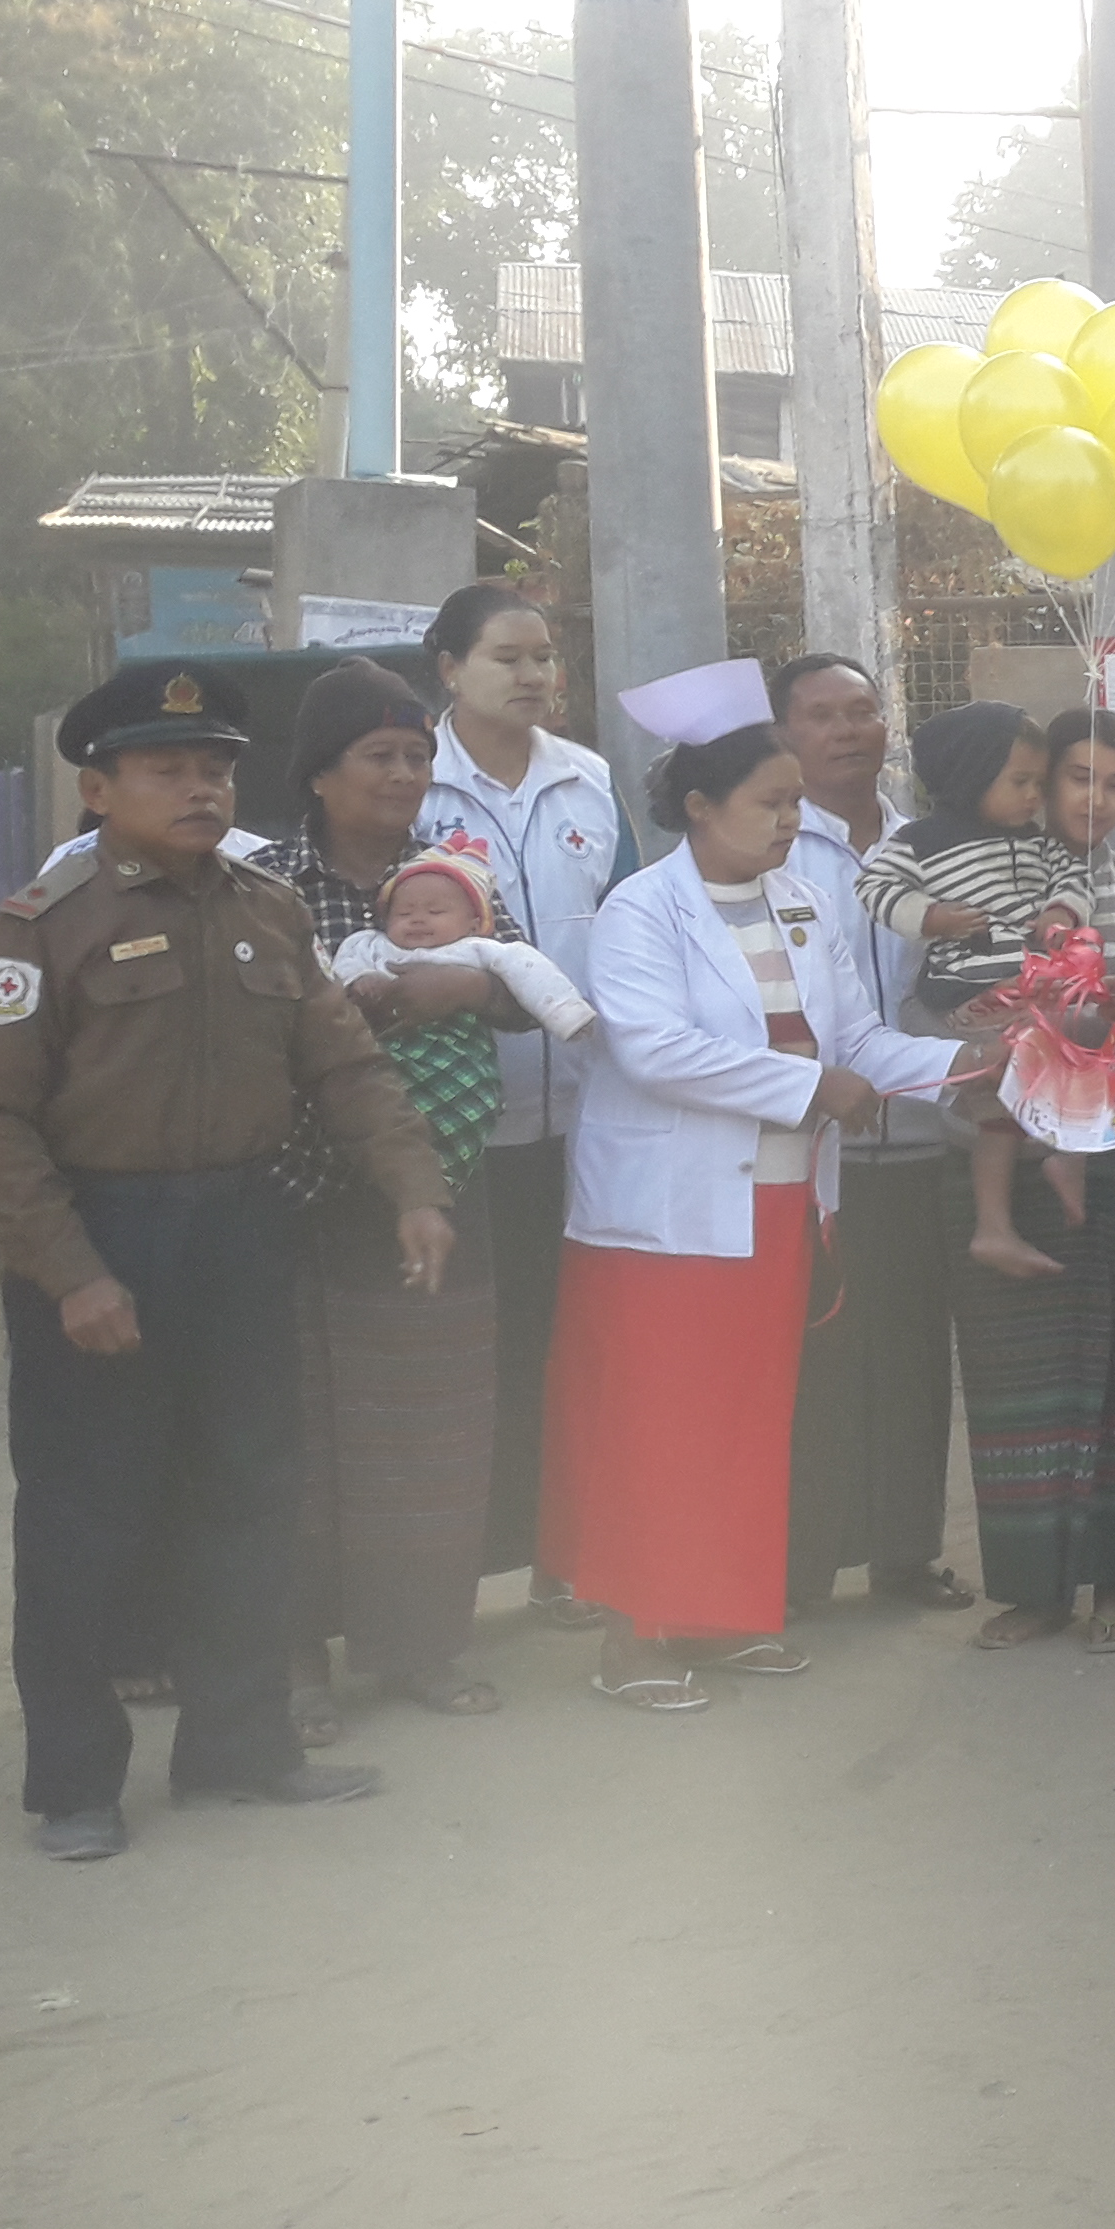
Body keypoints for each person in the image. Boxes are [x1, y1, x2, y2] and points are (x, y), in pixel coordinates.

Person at [0, 662, 455, 1858]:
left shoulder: (265, 908)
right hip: (100, 1233)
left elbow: (344, 1064)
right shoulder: (42, 924)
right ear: (98, 789)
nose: (200, 790)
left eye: (216, 770)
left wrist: (414, 1186)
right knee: (86, 1517)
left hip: (239, 1228)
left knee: (252, 1495)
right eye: (167, 770)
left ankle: (240, 1746)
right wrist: (72, 1273)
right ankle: (76, 1784)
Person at [541, 662, 964, 1710]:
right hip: (667, 1221)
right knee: (659, 1424)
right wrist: (810, 1086)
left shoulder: (806, 903)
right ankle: (633, 1639)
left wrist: (973, 1065)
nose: (790, 822)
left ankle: (717, 1617)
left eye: (793, 803)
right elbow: (654, 1050)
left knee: (747, 1419)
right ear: (700, 805)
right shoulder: (641, 910)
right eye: (771, 804)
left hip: (779, 1207)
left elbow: (858, 1040)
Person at [261, 665, 530, 1739]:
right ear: (319, 774)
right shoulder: (267, 883)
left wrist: (473, 982)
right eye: (379, 755)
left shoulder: (456, 871)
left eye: (417, 755)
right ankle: (295, 1660)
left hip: (441, 1188)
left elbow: (530, 988)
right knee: (299, 1433)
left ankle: (422, 1646)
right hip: (302, 1189)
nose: (405, 774)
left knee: (433, 1428)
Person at [951, 708, 1115, 1652]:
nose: (1096, 799)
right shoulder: (984, 878)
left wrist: (1101, 1025)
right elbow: (955, 1001)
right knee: (1020, 1382)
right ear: (1044, 781)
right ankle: (1030, 1590)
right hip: (1007, 1152)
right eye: (1078, 777)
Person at [414, 581, 627, 1615]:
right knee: (462, 1360)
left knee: (567, 1352)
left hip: (582, 1122)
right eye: (509, 657)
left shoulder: (589, 780)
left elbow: (626, 922)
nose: (535, 675)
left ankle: (561, 1563)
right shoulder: (415, 787)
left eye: (545, 656)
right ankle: (447, 1581)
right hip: (458, 1125)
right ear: (450, 669)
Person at [767, 650, 973, 1617]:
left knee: (914, 1358)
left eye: (863, 711)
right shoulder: (774, 843)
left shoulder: (926, 842)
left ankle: (904, 1553)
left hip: (927, 1128)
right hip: (816, 1148)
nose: (849, 731)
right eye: (823, 716)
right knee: (818, 1359)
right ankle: (802, 1566)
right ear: (784, 734)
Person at [858, 704, 1079, 1280]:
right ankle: (1000, 1219)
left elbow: (1070, 876)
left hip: (1028, 984)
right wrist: (930, 917)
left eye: (1039, 783)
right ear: (969, 777)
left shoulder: (1036, 841)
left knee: (1072, 1053)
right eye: (1019, 781)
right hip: (967, 989)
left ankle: (1053, 1171)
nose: (1034, 796)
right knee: (1002, 1092)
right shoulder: (920, 842)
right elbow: (874, 887)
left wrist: (1060, 911)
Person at [328, 856, 597, 1039]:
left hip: (459, 1056)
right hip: (386, 1059)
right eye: (404, 913)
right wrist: (360, 979)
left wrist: (566, 1013)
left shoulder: (477, 949)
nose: (418, 919)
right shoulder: (373, 945)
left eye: (435, 911)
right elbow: (345, 963)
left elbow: (530, 969)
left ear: (474, 925)